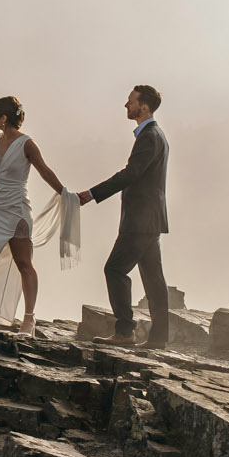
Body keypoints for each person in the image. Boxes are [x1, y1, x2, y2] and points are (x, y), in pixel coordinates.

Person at [0, 96, 71, 334]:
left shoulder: (27, 144)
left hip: (17, 210)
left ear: (4, 118)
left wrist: (64, 194)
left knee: (24, 263)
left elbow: (44, 170)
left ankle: (29, 319)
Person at [77, 85, 170, 346]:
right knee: (154, 281)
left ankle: (125, 331)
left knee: (114, 269)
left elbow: (131, 174)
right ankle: (159, 338)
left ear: (144, 106)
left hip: (139, 221)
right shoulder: (156, 135)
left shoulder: (149, 136)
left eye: (130, 102)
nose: (126, 106)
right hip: (150, 220)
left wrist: (92, 193)